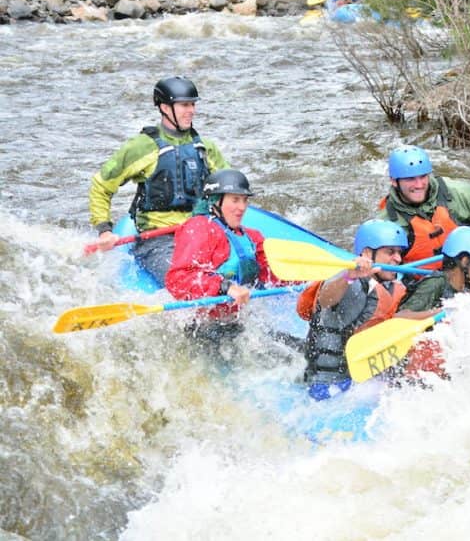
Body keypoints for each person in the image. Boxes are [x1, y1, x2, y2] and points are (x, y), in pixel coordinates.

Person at [88, 76, 230, 284]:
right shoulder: (141, 147)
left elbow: (230, 187)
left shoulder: (205, 147)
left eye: (192, 104)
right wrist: (104, 230)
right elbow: (101, 186)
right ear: (165, 107)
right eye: (184, 105)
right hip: (157, 240)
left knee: (237, 272)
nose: (191, 110)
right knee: (188, 282)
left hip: (199, 234)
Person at [165, 170, 283, 347]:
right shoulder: (199, 228)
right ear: (215, 201)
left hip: (238, 322)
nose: (242, 207)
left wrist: (315, 277)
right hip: (202, 325)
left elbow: (274, 274)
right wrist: (225, 286)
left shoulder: (252, 236)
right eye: (235, 200)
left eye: (244, 200)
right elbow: (178, 280)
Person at [298, 219, 410, 400]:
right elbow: (325, 300)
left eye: (399, 253)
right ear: (367, 253)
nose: (398, 258)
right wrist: (348, 277)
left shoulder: (387, 285)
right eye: (390, 252)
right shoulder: (351, 283)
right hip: (326, 385)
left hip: (355, 380)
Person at [394, 226, 470, 379]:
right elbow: (400, 317)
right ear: (465, 261)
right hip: (416, 369)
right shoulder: (436, 283)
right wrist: (442, 312)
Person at [379, 145, 470, 270]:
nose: (419, 185)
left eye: (423, 177)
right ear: (394, 181)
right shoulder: (388, 223)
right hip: (425, 282)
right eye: (410, 179)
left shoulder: (459, 193)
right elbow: (383, 268)